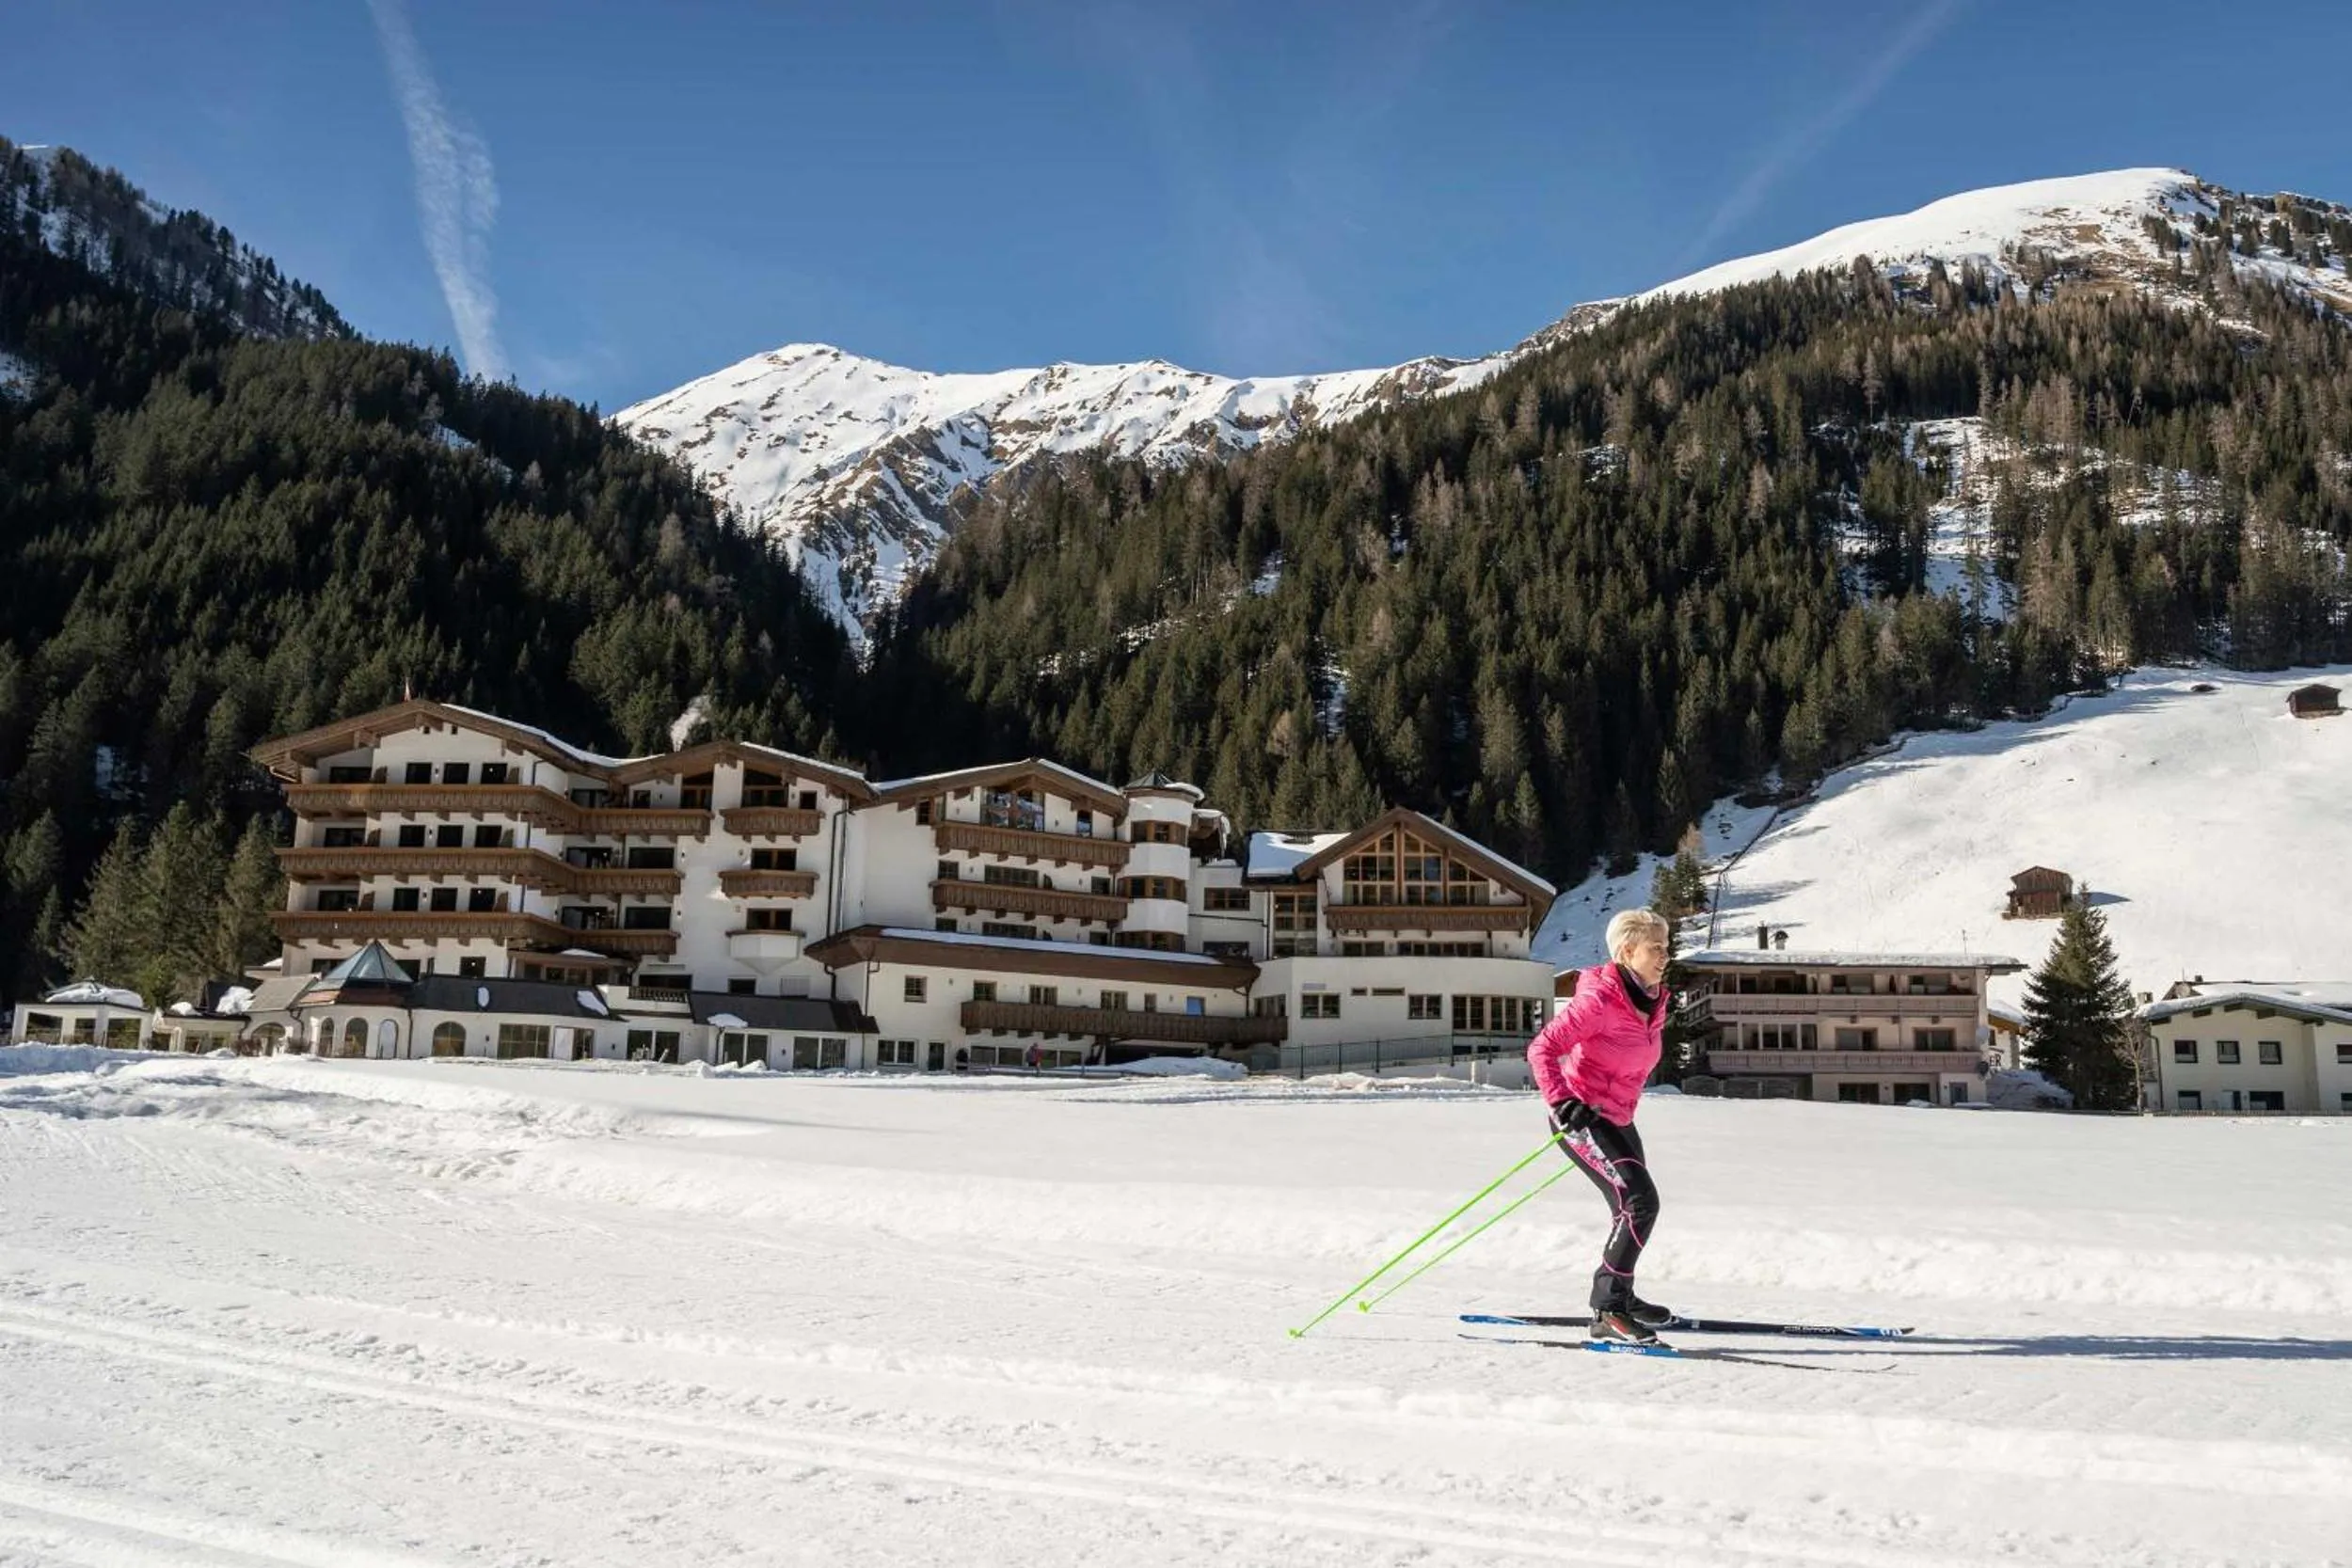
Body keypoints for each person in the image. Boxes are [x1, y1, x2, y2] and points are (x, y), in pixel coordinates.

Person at [1525, 908, 1674, 1344]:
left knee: (1629, 1207)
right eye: (1655, 947)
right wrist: (1562, 1100)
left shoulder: (1650, 1000)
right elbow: (1541, 1049)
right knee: (1641, 1202)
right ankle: (1608, 1309)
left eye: (1666, 947)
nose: (1665, 955)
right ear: (1627, 951)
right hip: (1582, 1118)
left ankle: (1621, 1296)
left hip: (1619, 1118)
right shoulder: (1600, 1000)